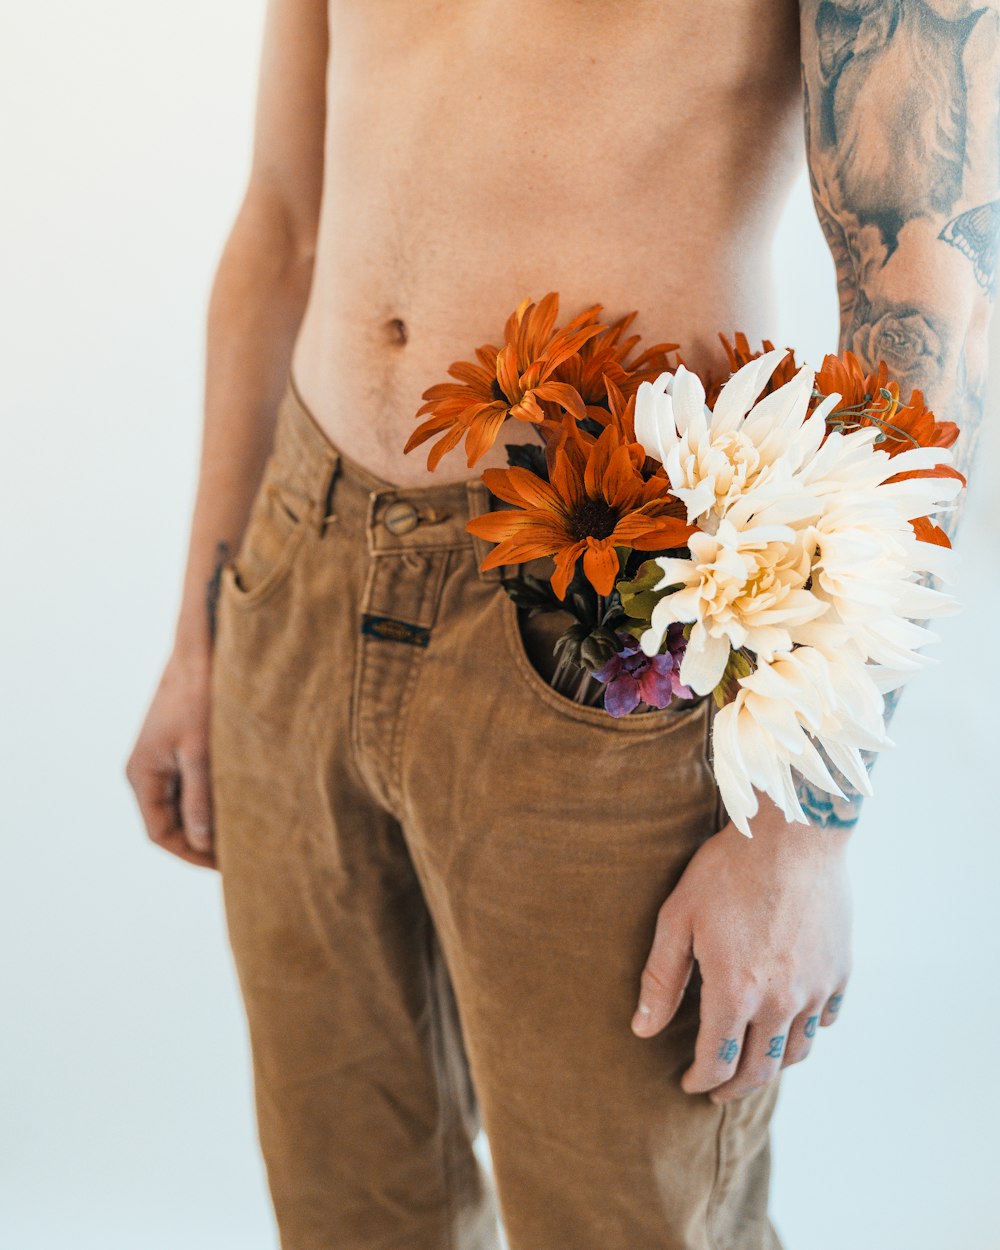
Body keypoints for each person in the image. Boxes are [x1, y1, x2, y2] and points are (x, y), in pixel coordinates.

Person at [125, 2, 998, 1247]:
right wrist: (204, 629)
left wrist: (802, 822)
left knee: (626, 1219)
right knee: (348, 1211)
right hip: (300, 559)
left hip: (607, 613)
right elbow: (281, 219)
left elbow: (928, 308)